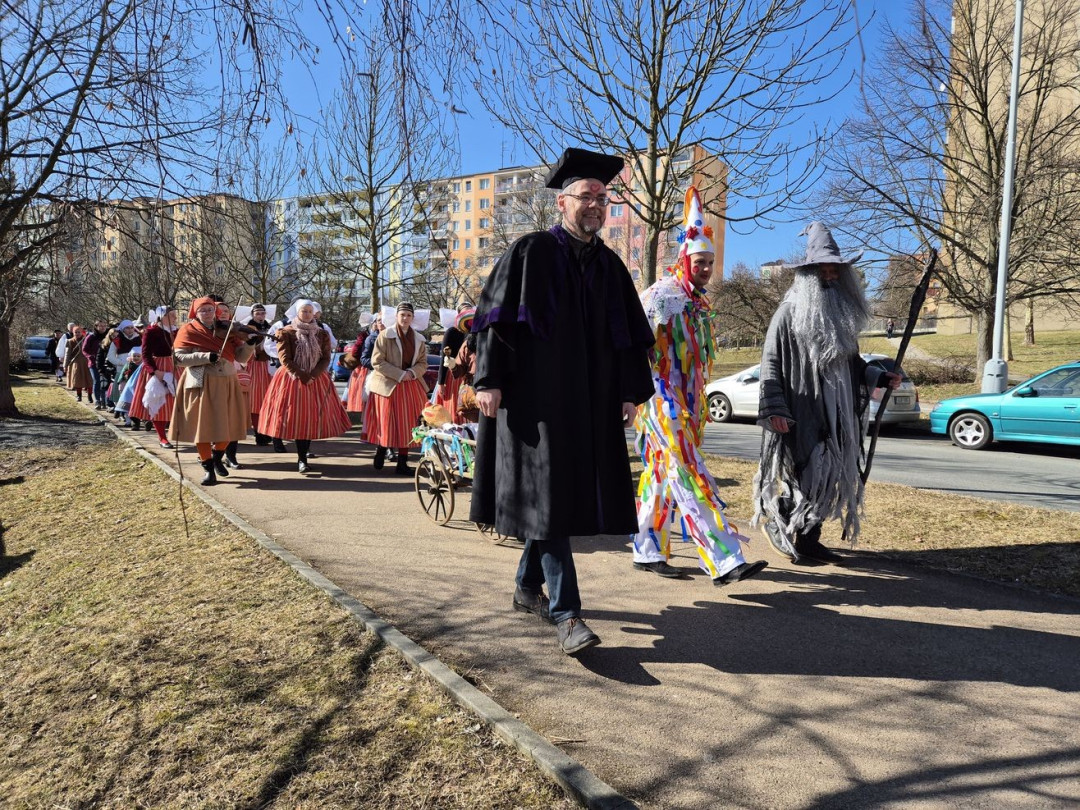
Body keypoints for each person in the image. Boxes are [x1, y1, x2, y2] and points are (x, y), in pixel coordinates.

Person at [470, 147, 655, 656]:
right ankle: (567, 613)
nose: (595, 204)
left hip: (590, 405)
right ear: (561, 203)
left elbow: (629, 338)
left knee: (553, 500)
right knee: (548, 498)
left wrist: (629, 393)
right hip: (534, 404)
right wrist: (487, 381)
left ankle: (527, 587)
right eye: (585, 196)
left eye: (602, 197)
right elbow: (493, 320)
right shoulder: (529, 252)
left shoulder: (611, 267)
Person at [632, 189, 768, 586]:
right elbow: (635, 342)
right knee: (689, 471)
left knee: (661, 472)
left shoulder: (700, 303)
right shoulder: (662, 295)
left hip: (688, 405)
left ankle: (646, 548)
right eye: (700, 261)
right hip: (661, 402)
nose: (706, 268)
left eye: (710, 262)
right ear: (684, 260)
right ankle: (725, 557)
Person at [752, 222, 902, 564]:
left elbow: (854, 364)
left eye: (836, 270)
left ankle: (808, 540)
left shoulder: (841, 318)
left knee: (830, 474)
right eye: (824, 270)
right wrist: (774, 407)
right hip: (802, 409)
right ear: (808, 274)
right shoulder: (787, 314)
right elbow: (771, 364)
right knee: (805, 472)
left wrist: (879, 376)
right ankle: (780, 517)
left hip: (839, 415)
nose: (831, 277)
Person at [169, 296, 258, 485]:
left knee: (229, 426)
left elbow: (241, 358)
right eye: (203, 310)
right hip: (201, 382)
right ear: (195, 312)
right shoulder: (188, 330)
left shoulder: (227, 329)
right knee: (202, 428)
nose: (208, 313)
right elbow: (178, 359)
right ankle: (208, 468)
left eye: (211, 310)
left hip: (227, 381)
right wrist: (205, 356)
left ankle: (217, 457)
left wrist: (250, 344)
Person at [258, 299, 351, 473]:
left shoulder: (321, 333)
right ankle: (300, 458)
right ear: (297, 313)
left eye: (310, 311)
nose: (307, 314)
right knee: (296, 417)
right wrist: (302, 375)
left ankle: (304, 456)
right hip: (292, 378)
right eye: (304, 311)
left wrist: (313, 375)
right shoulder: (285, 332)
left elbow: (325, 358)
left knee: (311, 418)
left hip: (316, 379)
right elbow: (284, 358)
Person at [366, 302, 429, 474]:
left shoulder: (418, 339)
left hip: (411, 384)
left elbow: (423, 363)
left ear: (412, 318)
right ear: (396, 316)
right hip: (389, 384)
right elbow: (377, 361)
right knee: (388, 422)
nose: (405, 318)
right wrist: (399, 374)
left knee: (409, 425)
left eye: (409, 315)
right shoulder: (385, 335)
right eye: (402, 315)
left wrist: (411, 372)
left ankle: (402, 463)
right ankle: (381, 447)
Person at [130, 306, 178, 448]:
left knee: (177, 403)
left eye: (175, 315)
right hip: (158, 367)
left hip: (176, 367)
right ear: (162, 317)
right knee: (159, 402)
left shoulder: (176, 331)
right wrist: (155, 372)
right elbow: (145, 354)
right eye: (172, 315)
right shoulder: (151, 331)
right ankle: (162, 437)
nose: (175, 318)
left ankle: (176, 433)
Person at [245, 303, 275, 446]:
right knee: (256, 400)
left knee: (269, 400)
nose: (261, 316)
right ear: (252, 314)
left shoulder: (270, 327)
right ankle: (259, 432)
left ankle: (266, 430)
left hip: (269, 366)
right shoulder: (247, 328)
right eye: (258, 313)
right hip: (255, 366)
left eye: (262, 313)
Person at [82, 320, 110, 409]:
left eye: (104, 326)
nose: (103, 327)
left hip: (105, 362)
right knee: (97, 381)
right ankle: (97, 400)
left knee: (105, 382)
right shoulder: (91, 337)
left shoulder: (108, 336)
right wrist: (90, 356)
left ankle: (104, 400)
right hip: (94, 363)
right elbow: (84, 349)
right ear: (96, 326)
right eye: (101, 326)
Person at [64, 325, 92, 401]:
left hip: (87, 362)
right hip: (76, 362)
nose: (77, 333)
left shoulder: (86, 339)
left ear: (81, 332)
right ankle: (79, 396)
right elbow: (67, 354)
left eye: (78, 332)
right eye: (75, 332)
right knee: (77, 379)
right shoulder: (70, 341)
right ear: (73, 332)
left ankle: (90, 396)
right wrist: (65, 365)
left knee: (89, 380)